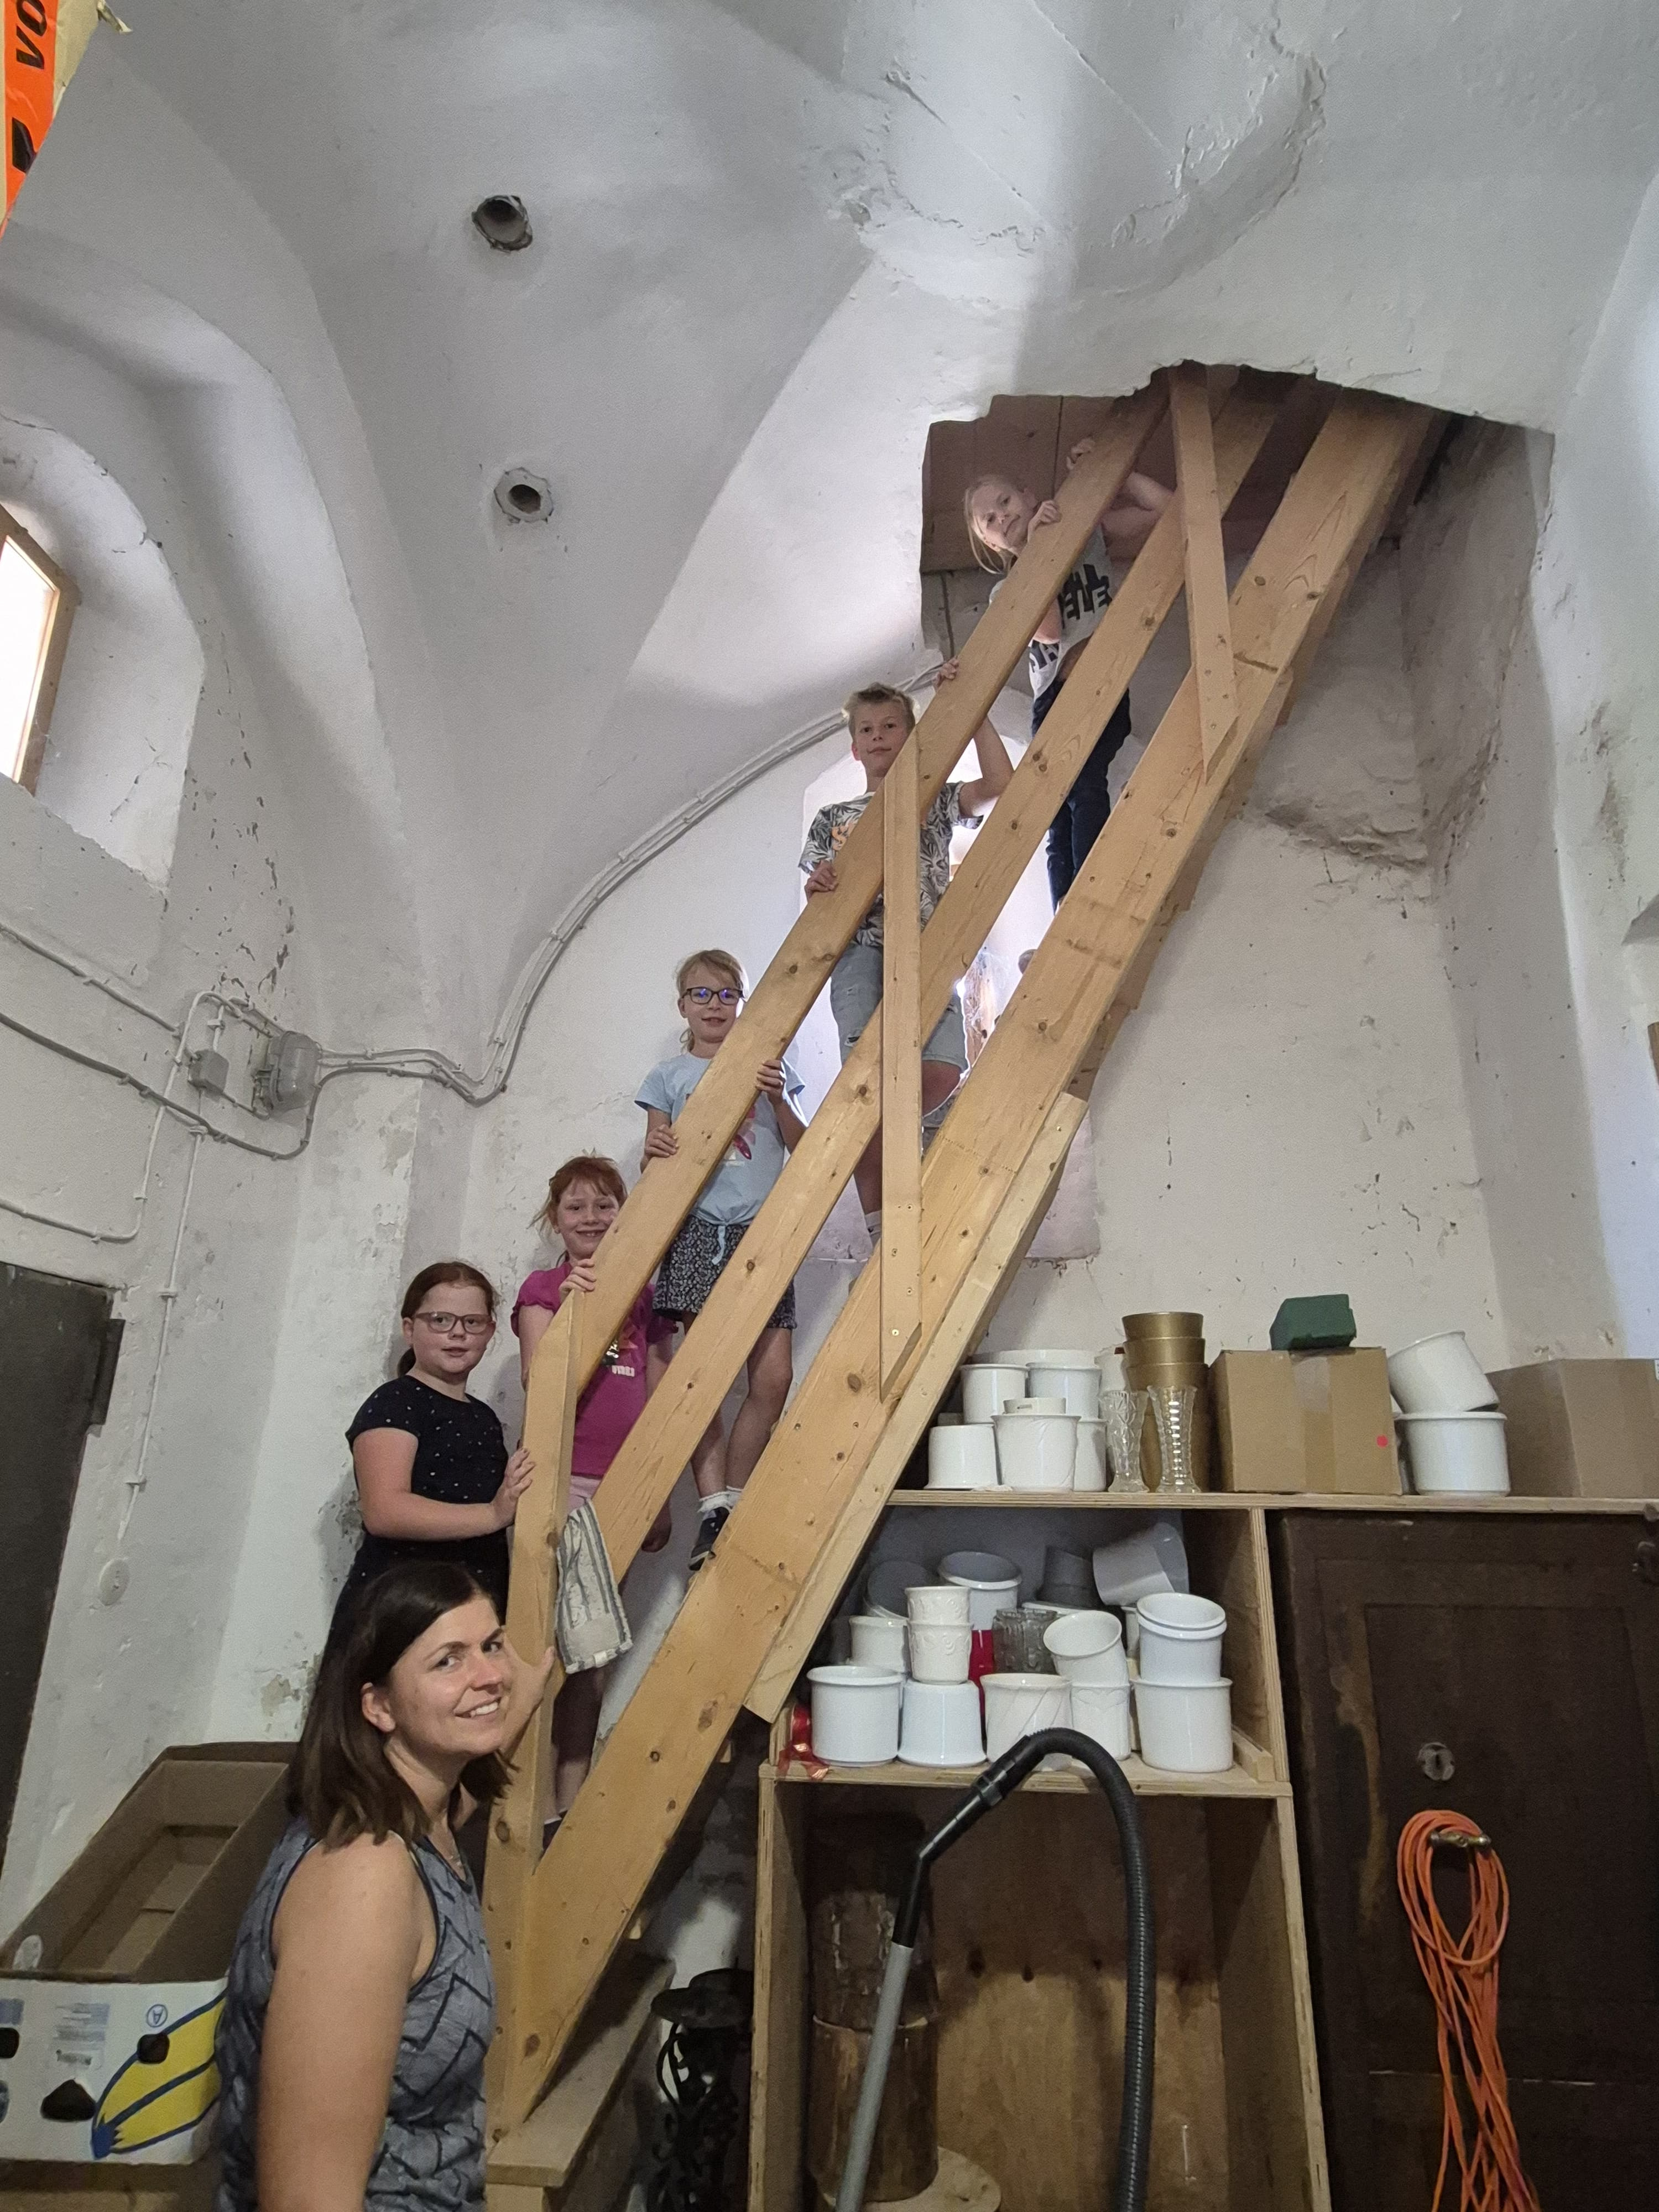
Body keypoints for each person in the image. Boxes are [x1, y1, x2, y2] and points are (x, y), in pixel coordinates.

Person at [215, 1560, 557, 2212]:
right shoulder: (362, 1878)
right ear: (378, 1705)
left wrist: (520, 1697)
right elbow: (307, 2202)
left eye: (491, 1645)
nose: (489, 1674)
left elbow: (459, 1795)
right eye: (448, 1661)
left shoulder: (422, 1818)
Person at [799, 681, 1011, 1237]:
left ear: (911, 737)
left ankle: (902, 1167)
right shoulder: (833, 816)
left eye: (890, 726)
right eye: (867, 730)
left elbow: (999, 785)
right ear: (855, 747)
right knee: (864, 1083)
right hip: (861, 949)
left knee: (942, 1067)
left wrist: (976, 710)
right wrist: (819, 885)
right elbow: (818, 892)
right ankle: (881, 1231)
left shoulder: (933, 799)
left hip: (927, 947)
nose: (878, 736)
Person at [512, 1154, 675, 1819]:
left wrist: (659, 1487)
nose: (591, 1217)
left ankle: (568, 1803)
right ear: (555, 1220)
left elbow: (660, 1389)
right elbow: (539, 1379)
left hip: (625, 1481)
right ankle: (524, 1800)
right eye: (575, 1206)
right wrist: (580, 1303)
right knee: (543, 1641)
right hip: (564, 1478)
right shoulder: (544, 1289)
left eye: (605, 1205)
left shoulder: (645, 1295)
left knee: (594, 1649)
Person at [637, 950, 806, 1573]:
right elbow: (653, 1162)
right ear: (683, 1005)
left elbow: (805, 1146)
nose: (714, 1005)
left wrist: (779, 1099)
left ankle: (735, 1496)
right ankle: (711, 1504)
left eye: (727, 994)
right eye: (701, 994)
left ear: (742, 1002)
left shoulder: (767, 1065)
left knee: (773, 1377)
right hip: (699, 1230)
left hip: (759, 1234)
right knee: (701, 1373)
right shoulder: (669, 1076)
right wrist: (655, 1147)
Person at [965, 445, 1171, 906]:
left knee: (1085, 785)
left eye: (1004, 502)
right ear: (992, 545)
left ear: (1028, 496)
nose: (1001, 517)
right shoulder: (1007, 592)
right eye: (989, 521)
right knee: (1058, 814)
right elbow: (1051, 629)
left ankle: (1085, 900)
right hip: (1053, 697)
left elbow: (1164, 509)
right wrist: (1036, 549)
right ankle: (1064, 911)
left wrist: (1118, 472)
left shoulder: (1086, 533)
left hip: (1102, 681)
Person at [338, 1262, 533, 1625]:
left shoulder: (485, 1418)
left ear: (490, 1331)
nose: (458, 1333)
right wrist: (493, 1515)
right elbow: (384, 1511)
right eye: (441, 1320)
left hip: (475, 1604)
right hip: (402, 1607)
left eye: (472, 1322)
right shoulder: (394, 1402)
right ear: (409, 1328)